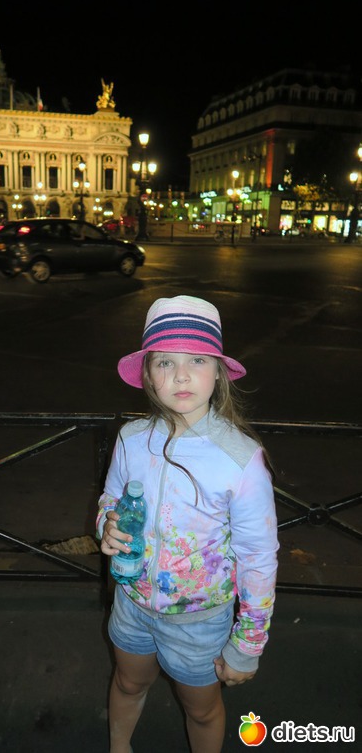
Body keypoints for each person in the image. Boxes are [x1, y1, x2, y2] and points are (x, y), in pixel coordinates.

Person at [96, 295, 279, 753]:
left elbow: (258, 557)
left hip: (200, 621)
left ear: (218, 372)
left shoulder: (241, 460)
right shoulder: (131, 439)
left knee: (201, 710)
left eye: (197, 360)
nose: (181, 375)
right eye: (165, 362)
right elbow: (110, 499)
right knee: (127, 683)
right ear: (147, 374)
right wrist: (107, 525)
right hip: (131, 602)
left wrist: (248, 643)